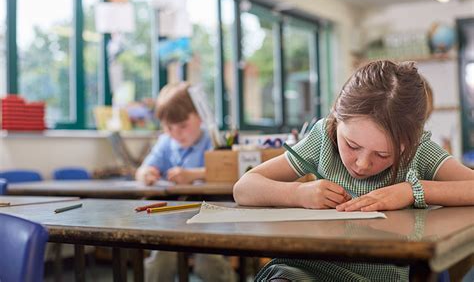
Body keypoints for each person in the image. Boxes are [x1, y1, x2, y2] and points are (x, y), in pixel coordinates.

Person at [233, 60, 474, 281]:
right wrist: (298, 193)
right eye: (352, 145)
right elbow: (244, 188)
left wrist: (412, 191)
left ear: (408, 144)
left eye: (382, 155)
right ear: (337, 117)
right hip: (304, 270)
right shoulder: (322, 138)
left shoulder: (419, 150)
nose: (361, 164)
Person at [136, 82, 235, 282]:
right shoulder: (165, 143)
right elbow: (141, 170)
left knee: (209, 263)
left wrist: (193, 174)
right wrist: (146, 173)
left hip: (210, 220)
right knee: (161, 261)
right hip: (173, 222)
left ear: (199, 117)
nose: (176, 133)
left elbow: (228, 171)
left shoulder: (213, 140)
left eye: (182, 126)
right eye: (168, 127)